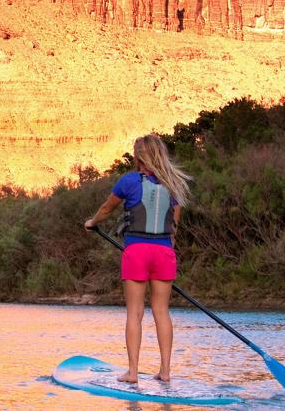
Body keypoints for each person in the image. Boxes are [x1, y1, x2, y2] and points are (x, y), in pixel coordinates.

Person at [83, 134, 193, 384]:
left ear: (138, 157)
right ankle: (165, 372)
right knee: (161, 312)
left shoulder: (129, 181)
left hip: (136, 252)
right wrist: (167, 248)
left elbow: (107, 209)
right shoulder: (173, 184)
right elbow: (174, 224)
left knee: (134, 313)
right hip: (164, 253)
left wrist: (92, 223)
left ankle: (132, 373)